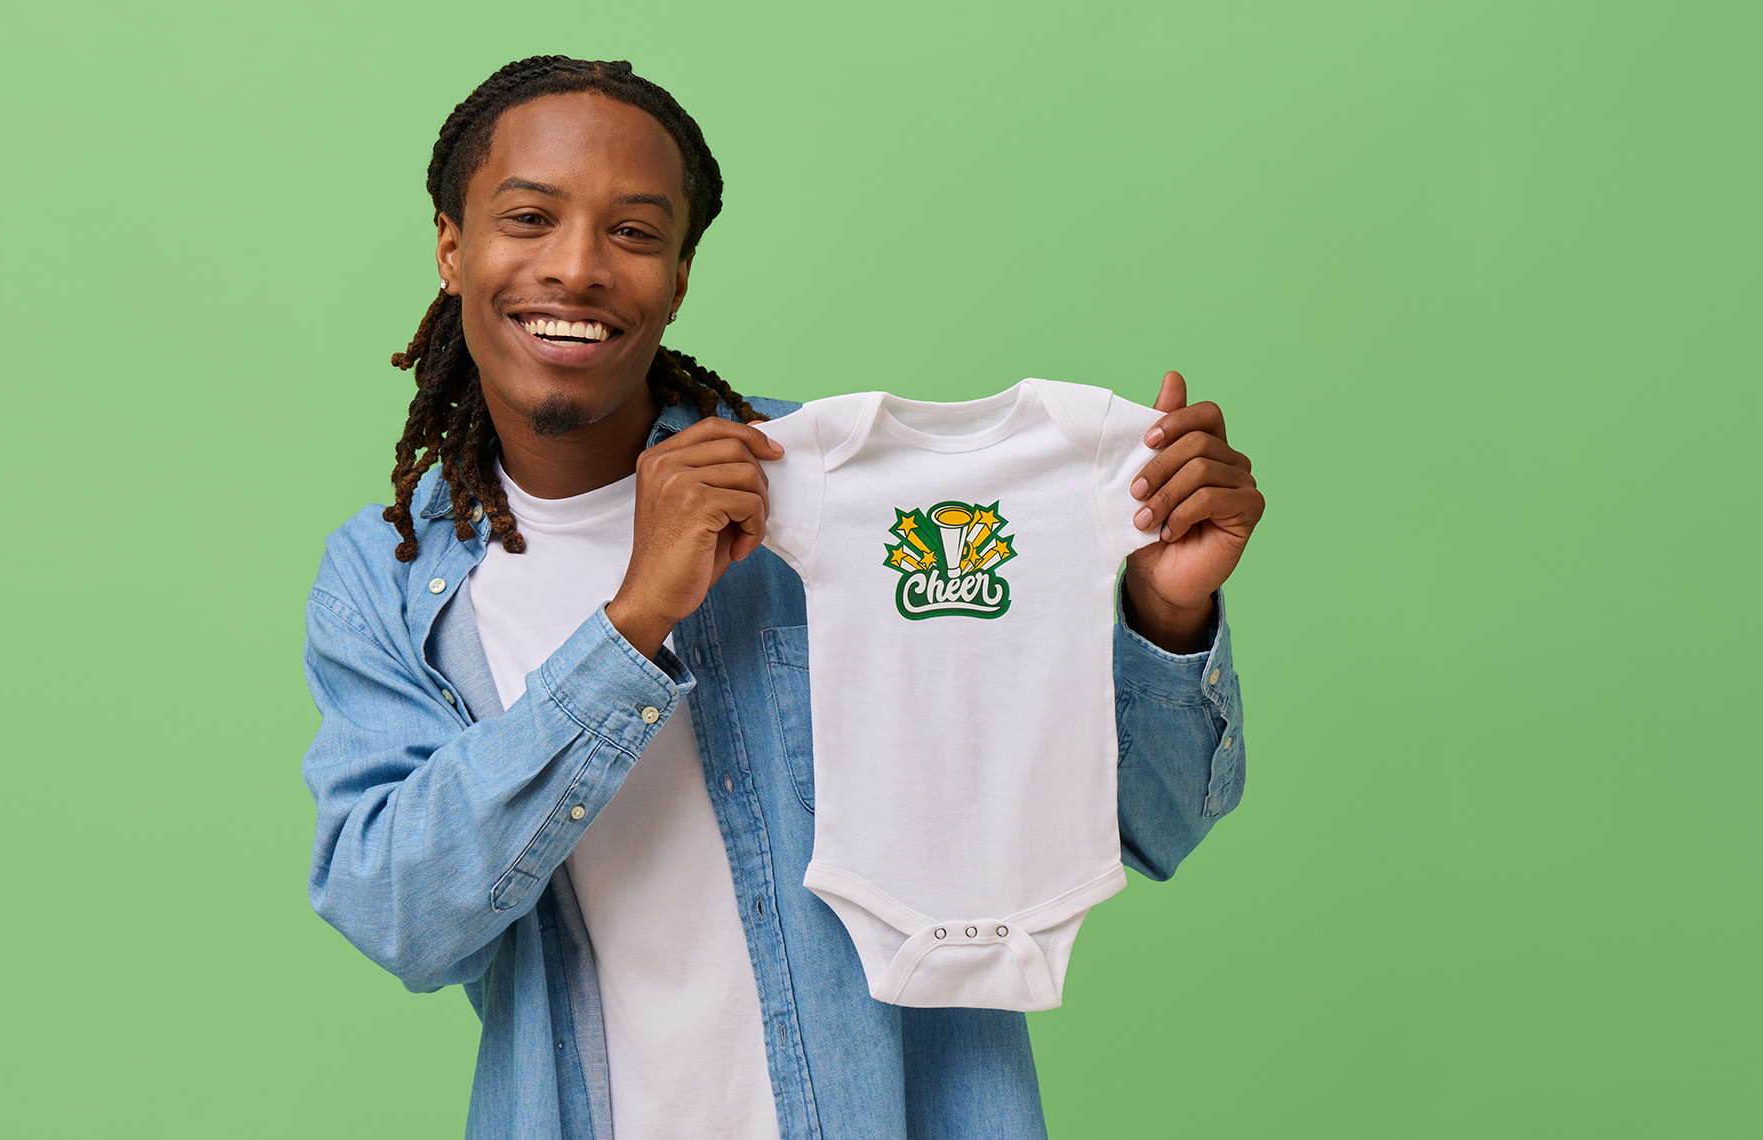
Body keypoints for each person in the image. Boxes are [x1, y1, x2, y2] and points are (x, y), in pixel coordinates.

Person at [299, 56, 1264, 1140]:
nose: (575, 268)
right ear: (451, 246)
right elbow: (399, 915)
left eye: (633, 231)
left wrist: (1165, 616)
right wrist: (631, 624)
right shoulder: (385, 583)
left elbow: (1145, 825)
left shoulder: (853, 498)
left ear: (678, 277)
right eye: (529, 218)